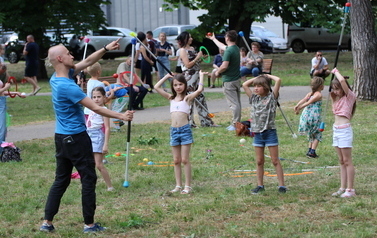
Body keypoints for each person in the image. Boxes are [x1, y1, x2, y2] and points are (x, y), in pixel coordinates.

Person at [39, 39, 134, 233]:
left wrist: (106, 48)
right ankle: (89, 225)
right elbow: (95, 107)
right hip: (76, 138)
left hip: (61, 138)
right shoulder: (68, 86)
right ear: (59, 58)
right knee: (89, 178)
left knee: (61, 180)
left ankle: (47, 223)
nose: (72, 55)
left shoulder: (57, 78)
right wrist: (121, 115)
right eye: (68, 53)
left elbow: (89, 60)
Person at [154, 71, 208, 194]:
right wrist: (166, 77)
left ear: (185, 85)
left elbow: (199, 90)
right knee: (176, 160)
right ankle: (178, 185)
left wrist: (201, 76)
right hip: (174, 131)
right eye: (175, 85)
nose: (178, 87)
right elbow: (156, 87)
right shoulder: (171, 98)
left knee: (185, 160)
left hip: (184, 130)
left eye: (180, 84)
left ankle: (187, 186)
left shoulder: (187, 98)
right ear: (173, 87)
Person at [242, 74, 287, 194]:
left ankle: (282, 186)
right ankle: (260, 185)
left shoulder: (272, 98)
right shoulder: (254, 98)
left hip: (269, 132)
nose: (255, 88)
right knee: (259, 161)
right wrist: (257, 77)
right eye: (255, 86)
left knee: (275, 160)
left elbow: (278, 80)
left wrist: (267, 76)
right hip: (257, 133)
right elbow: (244, 84)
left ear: (266, 87)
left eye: (259, 86)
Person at [178, 31, 217, 128]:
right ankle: (190, 123)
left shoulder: (192, 48)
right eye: (189, 37)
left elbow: (195, 63)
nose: (191, 39)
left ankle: (206, 122)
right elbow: (187, 65)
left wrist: (201, 58)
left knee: (201, 98)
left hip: (197, 75)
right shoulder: (182, 50)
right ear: (185, 39)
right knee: (190, 99)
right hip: (189, 77)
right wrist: (197, 58)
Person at [206, 30, 241, 131]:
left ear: (227, 38)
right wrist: (213, 39)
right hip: (236, 80)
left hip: (229, 80)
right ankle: (237, 122)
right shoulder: (235, 48)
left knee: (233, 104)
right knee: (237, 102)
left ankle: (235, 124)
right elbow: (222, 46)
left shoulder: (229, 51)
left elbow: (224, 66)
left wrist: (217, 72)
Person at [330, 68, 356, 198]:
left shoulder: (349, 96)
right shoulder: (337, 99)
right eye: (333, 89)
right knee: (341, 160)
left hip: (344, 130)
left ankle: (350, 189)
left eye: (337, 88)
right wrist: (333, 97)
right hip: (336, 130)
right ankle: (342, 187)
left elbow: (341, 80)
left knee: (347, 160)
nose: (335, 91)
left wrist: (336, 72)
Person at [86, 87, 114, 191]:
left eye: (99, 97)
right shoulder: (91, 109)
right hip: (88, 134)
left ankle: (110, 186)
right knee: (89, 163)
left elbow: (107, 128)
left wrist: (105, 144)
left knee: (99, 164)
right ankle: (90, 184)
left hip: (97, 136)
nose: (96, 99)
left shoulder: (104, 110)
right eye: (94, 97)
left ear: (104, 98)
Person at [294, 76, 325, 158]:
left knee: (311, 133)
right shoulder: (318, 95)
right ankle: (312, 152)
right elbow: (308, 102)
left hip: (306, 115)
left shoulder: (310, 94)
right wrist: (299, 107)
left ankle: (309, 150)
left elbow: (304, 100)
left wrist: (298, 105)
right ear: (320, 86)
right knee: (317, 134)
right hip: (314, 116)